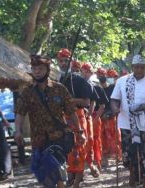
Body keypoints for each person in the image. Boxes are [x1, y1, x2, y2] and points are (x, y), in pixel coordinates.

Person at [14, 55, 85, 188]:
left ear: (47, 70)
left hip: (58, 138)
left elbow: (71, 112)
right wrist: (17, 131)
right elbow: (20, 114)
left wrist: (80, 131)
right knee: (46, 178)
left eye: (40, 68)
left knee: (59, 174)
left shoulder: (60, 89)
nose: (37, 71)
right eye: (34, 68)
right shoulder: (27, 92)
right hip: (38, 140)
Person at [111, 54, 145, 188]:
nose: (139, 70)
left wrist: (144, 108)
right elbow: (114, 99)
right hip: (126, 125)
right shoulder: (122, 81)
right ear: (132, 67)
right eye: (136, 67)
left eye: (142, 67)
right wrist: (115, 108)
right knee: (130, 158)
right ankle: (133, 184)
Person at [57, 49, 93, 187]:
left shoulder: (79, 80)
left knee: (78, 149)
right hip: (61, 119)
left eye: (66, 61)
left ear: (71, 62)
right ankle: (68, 178)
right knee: (64, 151)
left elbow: (86, 102)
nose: (63, 63)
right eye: (61, 61)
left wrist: (69, 100)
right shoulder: (56, 79)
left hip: (77, 117)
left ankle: (77, 183)